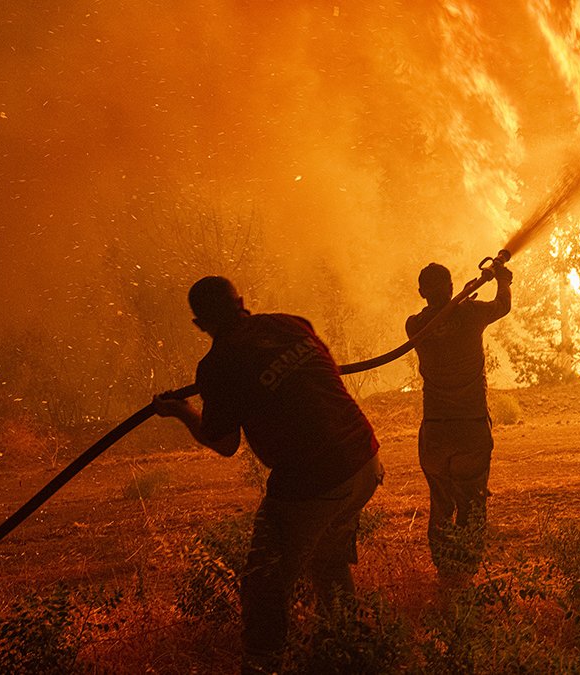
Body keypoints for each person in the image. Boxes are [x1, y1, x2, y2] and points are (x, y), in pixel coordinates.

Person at [153, 275, 382, 674]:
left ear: (199, 324)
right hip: (364, 461)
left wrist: (181, 411)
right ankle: (352, 651)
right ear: (241, 300)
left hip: (313, 480)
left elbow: (223, 443)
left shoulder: (218, 364)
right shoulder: (292, 323)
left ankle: (263, 665)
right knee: (327, 561)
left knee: (264, 584)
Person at [405, 260, 512, 586]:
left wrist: (463, 297)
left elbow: (442, 319)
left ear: (422, 292)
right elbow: (502, 306)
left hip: (435, 431)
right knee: (472, 503)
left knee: (441, 504)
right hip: (470, 427)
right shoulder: (470, 313)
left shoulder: (414, 325)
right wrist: (502, 280)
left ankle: (444, 575)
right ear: (450, 287)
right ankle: (464, 576)